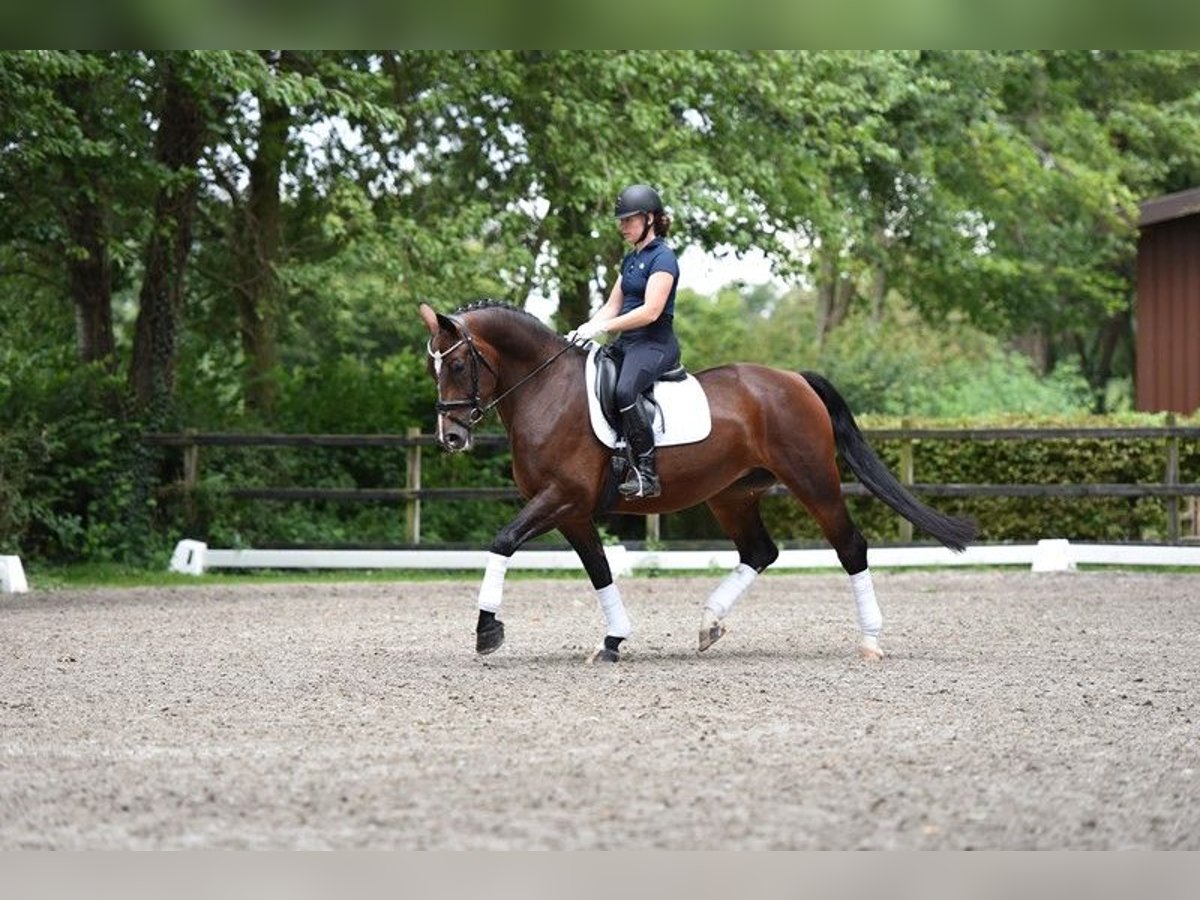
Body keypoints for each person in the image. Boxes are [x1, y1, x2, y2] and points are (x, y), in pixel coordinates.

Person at [568, 184, 681, 499]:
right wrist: (586, 327)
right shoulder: (630, 260)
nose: (622, 227)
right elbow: (612, 305)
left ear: (649, 219)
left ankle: (647, 473)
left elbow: (650, 311)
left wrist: (604, 327)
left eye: (628, 220)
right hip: (627, 342)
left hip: (654, 343)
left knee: (624, 389)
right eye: (621, 221)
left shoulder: (664, 258)